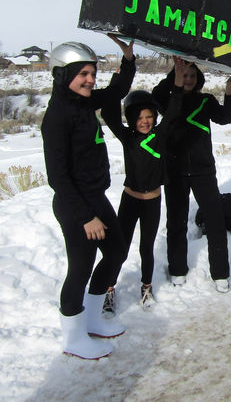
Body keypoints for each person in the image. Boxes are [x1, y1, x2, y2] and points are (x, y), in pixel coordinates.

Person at [42, 35, 135, 359]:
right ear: (62, 75)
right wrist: (86, 217)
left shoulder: (82, 103)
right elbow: (58, 177)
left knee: (116, 252)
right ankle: (73, 338)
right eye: (83, 74)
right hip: (74, 204)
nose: (90, 79)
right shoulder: (56, 117)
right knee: (80, 268)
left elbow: (115, 92)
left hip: (94, 197)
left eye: (92, 73)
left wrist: (127, 59)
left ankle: (93, 320)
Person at [99, 57, 186, 314]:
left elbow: (175, 107)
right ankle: (109, 289)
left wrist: (179, 75)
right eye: (139, 117)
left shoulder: (160, 136)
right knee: (120, 247)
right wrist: (117, 79)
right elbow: (107, 112)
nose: (145, 121)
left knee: (146, 247)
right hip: (130, 200)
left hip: (152, 201)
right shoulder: (128, 137)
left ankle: (146, 288)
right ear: (131, 119)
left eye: (149, 116)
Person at [152, 63, 231, 293]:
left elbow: (225, 118)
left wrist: (229, 89)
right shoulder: (169, 99)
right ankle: (177, 269)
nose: (189, 78)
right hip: (174, 170)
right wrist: (174, 74)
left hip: (204, 171)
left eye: (193, 74)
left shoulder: (206, 101)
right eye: (184, 74)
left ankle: (220, 274)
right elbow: (156, 95)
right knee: (176, 221)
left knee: (215, 221)